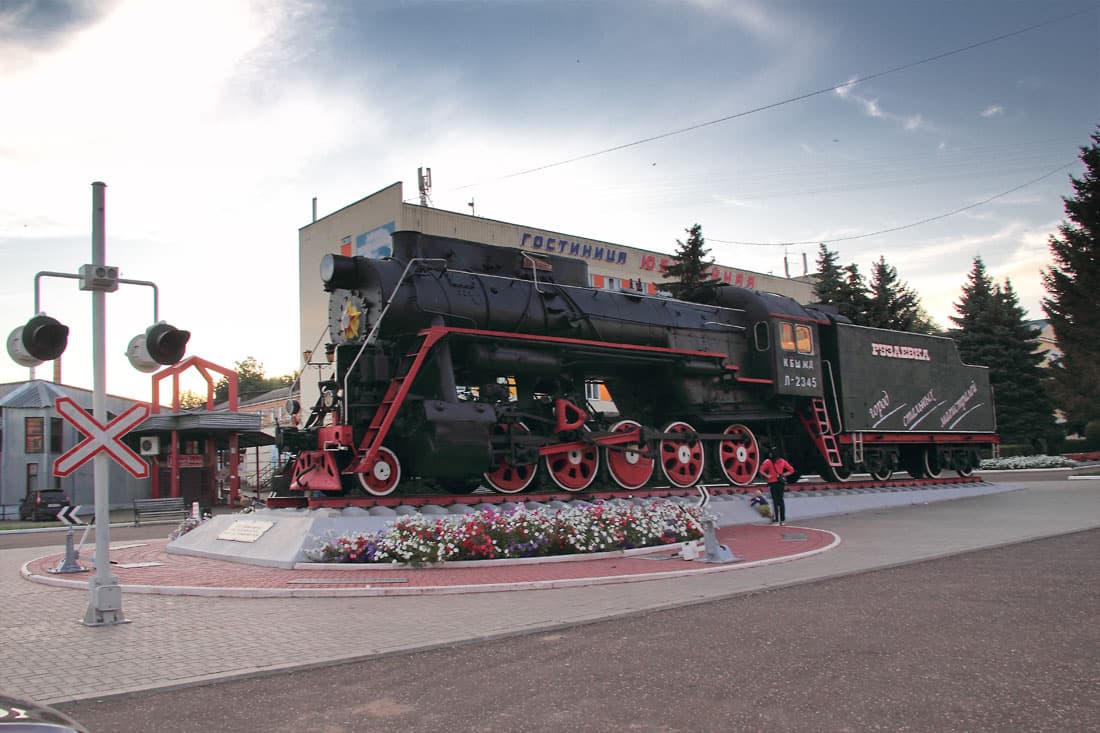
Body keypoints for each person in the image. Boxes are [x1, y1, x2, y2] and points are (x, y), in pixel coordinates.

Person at [759, 447, 795, 526]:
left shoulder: (768, 462)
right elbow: (791, 470)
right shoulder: (782, 461)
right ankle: (783, 520)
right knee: (781, 501)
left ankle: (776, 520)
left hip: (772, 483)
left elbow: (761, 470)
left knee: (775, 501)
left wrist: (767, 476)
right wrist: (783, 475)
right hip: (781, 483)